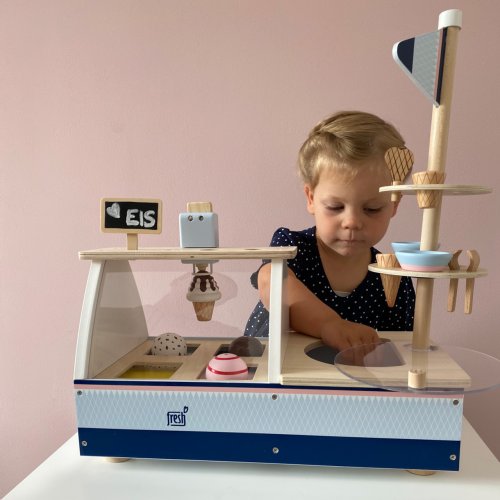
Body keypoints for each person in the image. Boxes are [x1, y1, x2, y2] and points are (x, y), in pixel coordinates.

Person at [244, 111, 415, 352]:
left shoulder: (393, 278)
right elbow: (271, 282)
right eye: (335, 207)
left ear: (394, 205)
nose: (352, 222)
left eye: (372, 209)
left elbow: (400, 351)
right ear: (311, 198)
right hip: (271, 372)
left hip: (348, 376)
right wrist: (329, 324)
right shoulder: (292, 246)